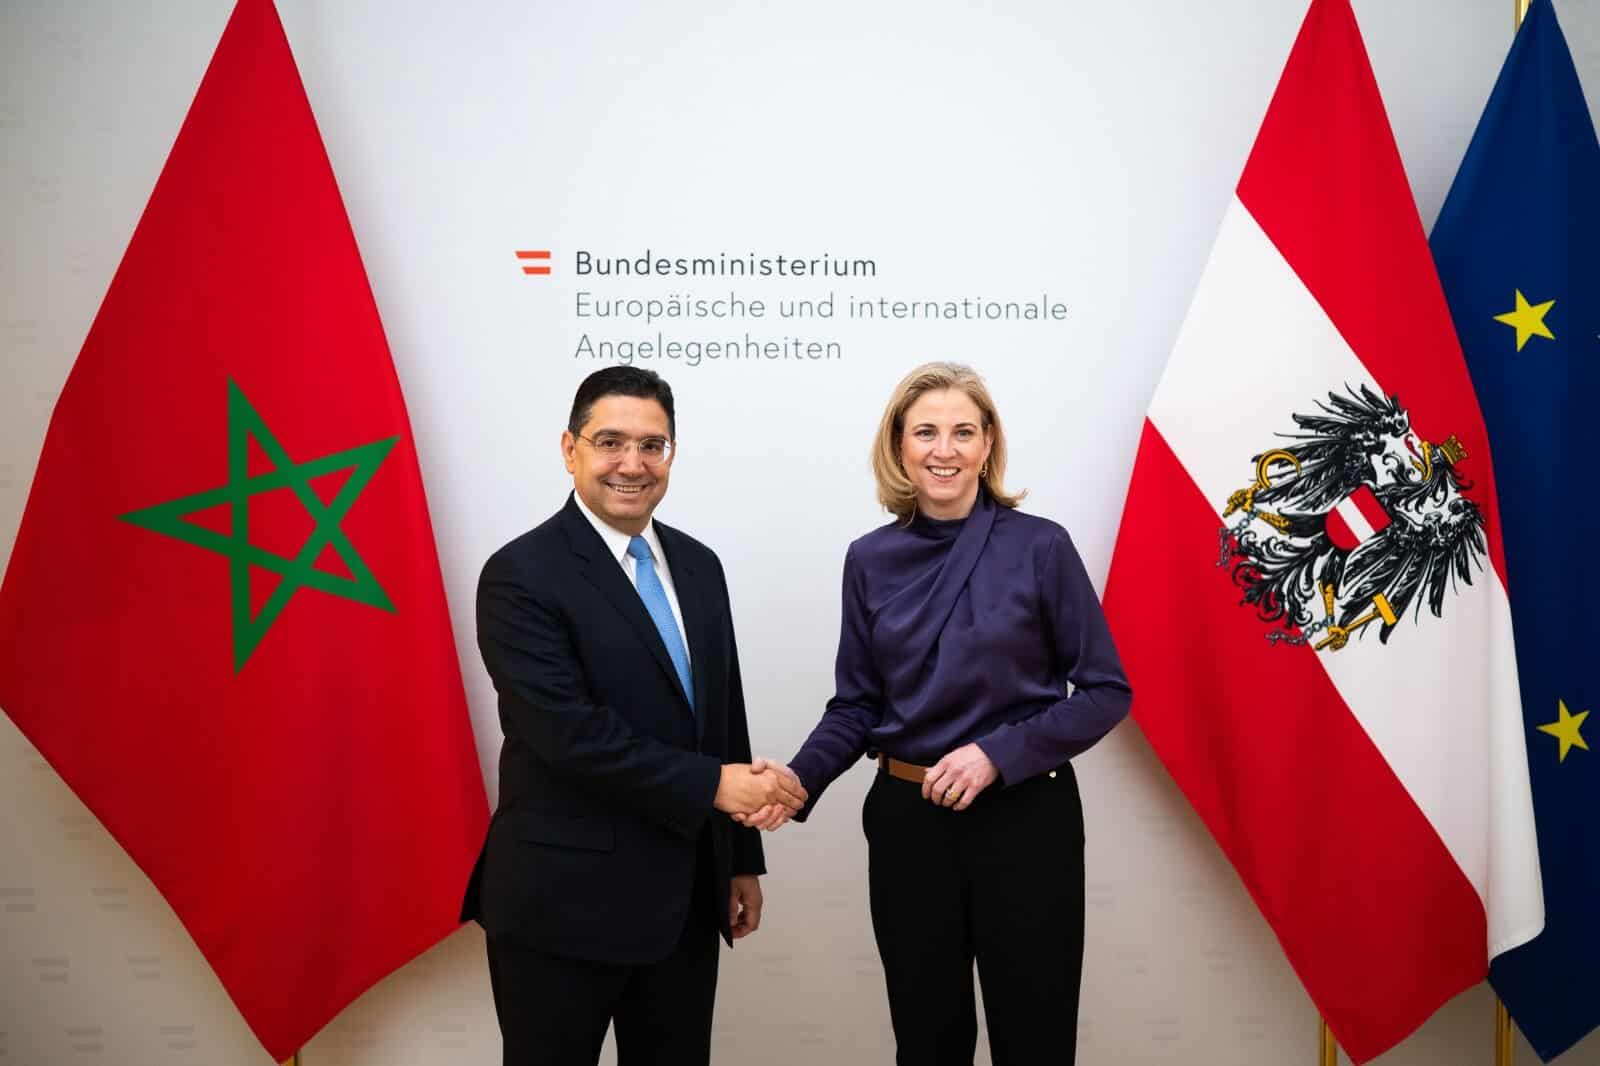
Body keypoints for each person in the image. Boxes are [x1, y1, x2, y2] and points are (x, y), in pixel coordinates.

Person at [753, 362, 1131, 1065]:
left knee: (1036, 1040)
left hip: (1027, 819)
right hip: (910, 824)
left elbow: (1106, 691)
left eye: (963, 431)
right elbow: (858, 703)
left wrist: (998, 754)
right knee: (927, 1042)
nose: (944, 449)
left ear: (988, 444)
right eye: (926, 432)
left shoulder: (1041, 546)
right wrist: (798, 779)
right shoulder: (869, 559)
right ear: (899, 445)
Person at [462, 366, 807, 1066]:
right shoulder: (520, 574)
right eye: (611, 442)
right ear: (570, 450)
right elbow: (567, 734)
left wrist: (739, 860)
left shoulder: (700, 565)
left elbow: (723, 717)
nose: (633, 463)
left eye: (653, 445)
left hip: (685, 899)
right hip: (562, 906)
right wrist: (715, 786)